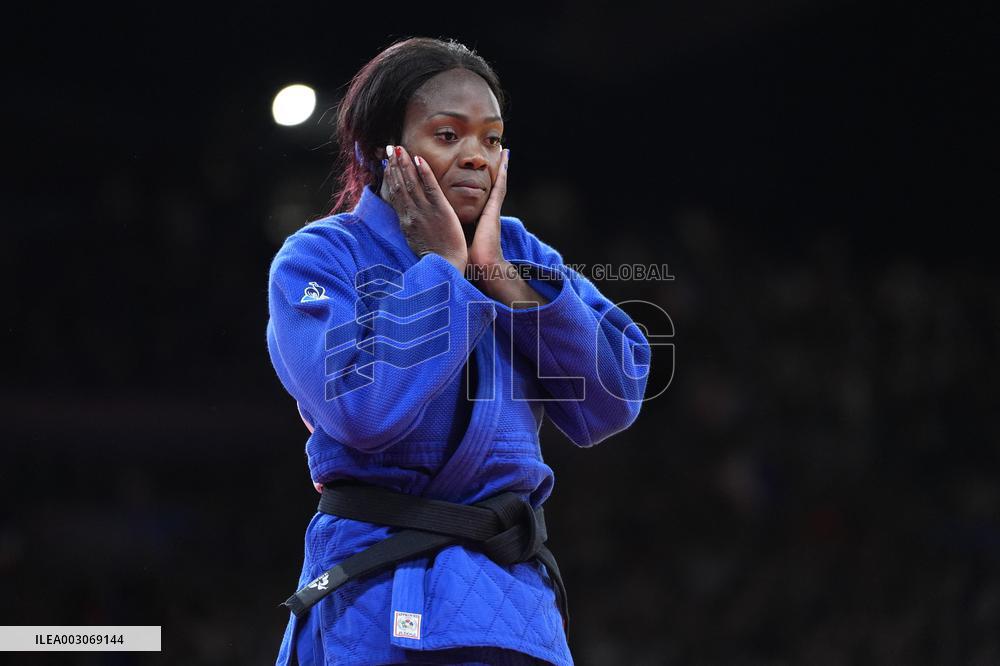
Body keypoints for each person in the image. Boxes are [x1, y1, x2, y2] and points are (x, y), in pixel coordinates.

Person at [266, 36, 651, 666]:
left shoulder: (518, 254)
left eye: (491, 139)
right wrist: (445, 270)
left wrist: (497, 275)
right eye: (448, 136)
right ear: (379, 150)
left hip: (513, 611)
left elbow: (612, 402)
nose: (476, 157)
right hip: (373, 596)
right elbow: (364, 411)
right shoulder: (320, 258)